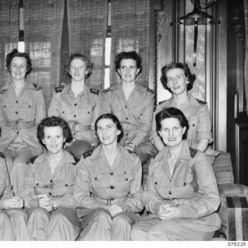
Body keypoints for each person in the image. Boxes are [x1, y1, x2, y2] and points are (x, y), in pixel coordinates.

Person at [131, 107, 221, 241]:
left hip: (198, 221)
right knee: (137, 231)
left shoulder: (197, 158)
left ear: (183, 130)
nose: (171, 134)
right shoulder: (156, 161)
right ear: (160, 133)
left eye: (175, 128)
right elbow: (149, 194)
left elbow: (212, 199)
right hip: (165, 218)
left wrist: (180, 212)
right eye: (166, 129)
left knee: (157, 233)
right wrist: (157, 207)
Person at [74, 113, 143, 241]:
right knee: (102, 216)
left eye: (108, 127)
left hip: (124, 210)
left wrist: (122, 208)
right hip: (95, 210)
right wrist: (104, 208)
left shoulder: (133, 160)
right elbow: (79, 196)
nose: (104, 132)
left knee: (121, 221)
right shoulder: (87, 159)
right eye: (100, 128)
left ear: (118, 131)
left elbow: (138, 197)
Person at [0, 49, 46, 195]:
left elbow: (41, 121)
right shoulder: (1, 93)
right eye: (14, 65)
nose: (18, 69)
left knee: (19, 164)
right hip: (6, 142)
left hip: (29, 142)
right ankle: (7, 199)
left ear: (27, 68)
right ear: (9, 67)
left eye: (22, 66)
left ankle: (20, 201)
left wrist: (40, 141)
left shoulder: (36, 91)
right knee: (6, 163)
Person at [21, 116, 80, 240]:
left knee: (59, 218)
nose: (53, 142)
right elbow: (25, 194)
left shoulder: (77, 164)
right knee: (37, 214)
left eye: (57, 137)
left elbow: (80, 197)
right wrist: (37, 202)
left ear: (64, 138)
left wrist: (56, 202)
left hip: (65, 213)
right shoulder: (33, 164)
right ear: (43, 140)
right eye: (49, 137)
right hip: (38, 212)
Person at [102, 51, 155, 165]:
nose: (127, 71)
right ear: (118, 71)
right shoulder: (108, 94)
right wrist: (114, 145)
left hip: (140, 144)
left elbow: (145, 125)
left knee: (130, 162)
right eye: (123, 67)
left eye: (131, 67)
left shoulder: (147, 95)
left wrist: (132, 144)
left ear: (137, 70)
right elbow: (106, 123)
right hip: (114, 141)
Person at [152, 62, 215, 155]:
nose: (175, 82)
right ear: (167, 84)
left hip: (195, 155)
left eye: (178, 77)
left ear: (187, 79)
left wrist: (189, 159)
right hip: (168, 155)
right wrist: (168, 156)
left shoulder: (200, 107)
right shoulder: (161, 108)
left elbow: (204, 141)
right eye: (170, 79)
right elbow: (155, 136)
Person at [48, 53, 102, 161]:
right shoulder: (59, 93)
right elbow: (52, 121)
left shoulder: (95, 96)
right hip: (61, 140)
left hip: (85, 141)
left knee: (82, 155)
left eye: (81, 67)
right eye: (73, 67)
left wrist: (94, 143)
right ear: (69, 70)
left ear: (86, 71)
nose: (77, 71)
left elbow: (98, 125)